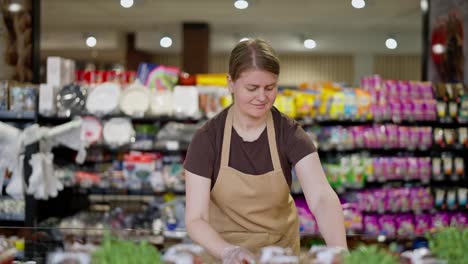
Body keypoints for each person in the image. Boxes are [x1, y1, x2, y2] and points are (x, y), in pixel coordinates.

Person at [184, 38, 347, 264]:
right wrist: (228, 251)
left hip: (279, 255)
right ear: (230, 83)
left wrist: (340, 252)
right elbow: (196, 218)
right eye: (252, 88)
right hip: (223, 254)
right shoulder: (208, 138)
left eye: (270, 88)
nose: (262, 97)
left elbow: (321, 197)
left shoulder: (290, 134)